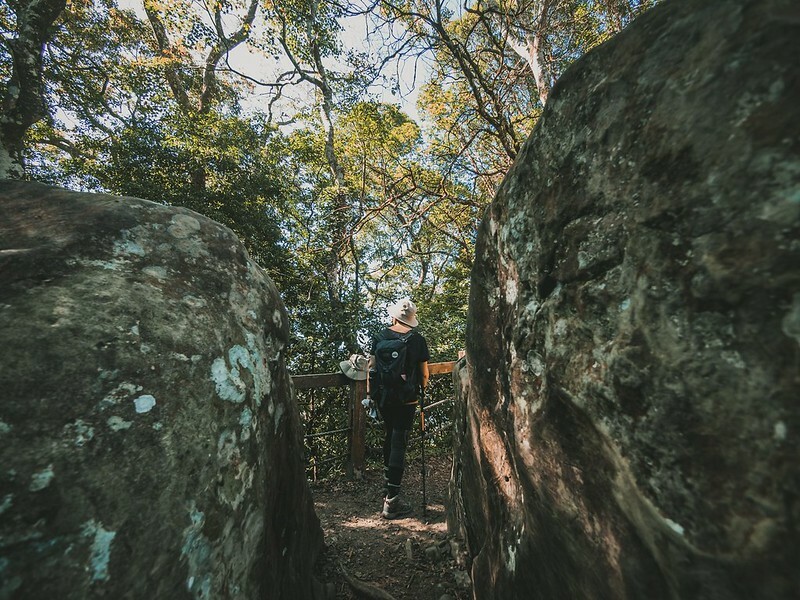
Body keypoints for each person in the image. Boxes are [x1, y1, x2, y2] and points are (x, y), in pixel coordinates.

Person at [370, 298, 430, 519]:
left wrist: (372, 395)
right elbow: (424, 374)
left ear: (393, 316)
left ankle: (389, 485)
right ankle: (392, 500)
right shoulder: (417, 340)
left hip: (384, 397)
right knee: (399, 441)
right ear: (410, 319)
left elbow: (372, 368)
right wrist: (422, 388)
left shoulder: (379, 337)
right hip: (407, 398)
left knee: (389, 437)